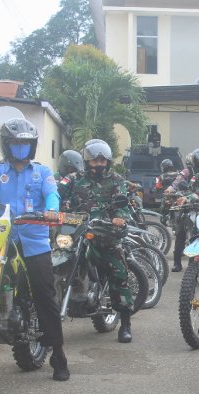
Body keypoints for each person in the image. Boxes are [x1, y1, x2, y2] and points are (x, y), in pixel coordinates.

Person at [0, 118, 69, 381]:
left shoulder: (42, 172)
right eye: (16, 143)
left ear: (32, 146)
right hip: (2, 240)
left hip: (34, 241)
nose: (21, 147)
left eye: (26, 143)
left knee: (45, 294)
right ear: (7, 145)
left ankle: (58, 355)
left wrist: (53, 211)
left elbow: (52, 194)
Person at [59, 140, 136, 343]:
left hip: (103, 231)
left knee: (118, 270)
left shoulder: (115, 180)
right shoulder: (72, 179)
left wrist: (119, 218)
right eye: (95, 160)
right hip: (73, 228)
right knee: (56, 259)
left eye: (102, 160)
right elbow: (55, 195)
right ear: (86, 161)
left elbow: (122, 203)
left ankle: (126, 322)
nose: (99, 164)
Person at [165, 148, 199, 272]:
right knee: (180, 232)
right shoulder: (188, 172)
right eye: (198, 162)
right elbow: (177, 181)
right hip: (186, 202)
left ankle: (196, 265)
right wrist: (170, 189)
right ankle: (177, 263)